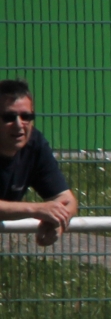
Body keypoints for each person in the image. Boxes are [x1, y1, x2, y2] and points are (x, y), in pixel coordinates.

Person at [0, 80, 77, 246]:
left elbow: (67, 200)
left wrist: (56, 224)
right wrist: (36, 210)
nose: (19, 125)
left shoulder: (35, 144)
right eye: (9, 117)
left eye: (26, 117)